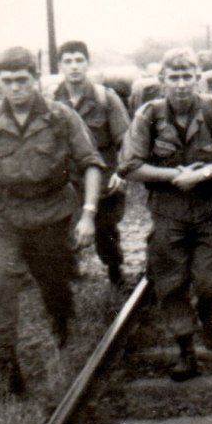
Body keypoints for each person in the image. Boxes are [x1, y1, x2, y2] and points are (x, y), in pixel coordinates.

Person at [118, 48, 212, 381]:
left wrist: (201, 175)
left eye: (187, 77)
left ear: (198, 79)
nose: (181, 85)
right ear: (162, 81)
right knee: (171, 284)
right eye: (173, 78)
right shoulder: (149, 115)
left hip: (211, 209)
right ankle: (186, 350)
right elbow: (129, 165)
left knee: (210, 283)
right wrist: (174, 175)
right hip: (168, 212)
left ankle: (207, 312)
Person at [0, 47, 104, 398]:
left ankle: (62, 328)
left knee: (54, 285)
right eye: (7, 81)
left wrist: (87, 214)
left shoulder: (61, 117)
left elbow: (91, 163)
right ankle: (5, 367)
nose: (15, 88)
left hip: (53, 215)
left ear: (35, 79)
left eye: (22, 80)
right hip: (6, 218)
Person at [54, 41, 131, 285]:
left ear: (87, 64)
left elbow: (126, 140)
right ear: (60, 66)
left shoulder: (104, 98)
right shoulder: (52, 101)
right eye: (68, 61)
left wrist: (122, 171)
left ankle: (115, 270)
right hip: (67, 180)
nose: (74, 67)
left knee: (105, 230)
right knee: (63, 228)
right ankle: (71, 271)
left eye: (79, 61)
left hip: (103, 179)